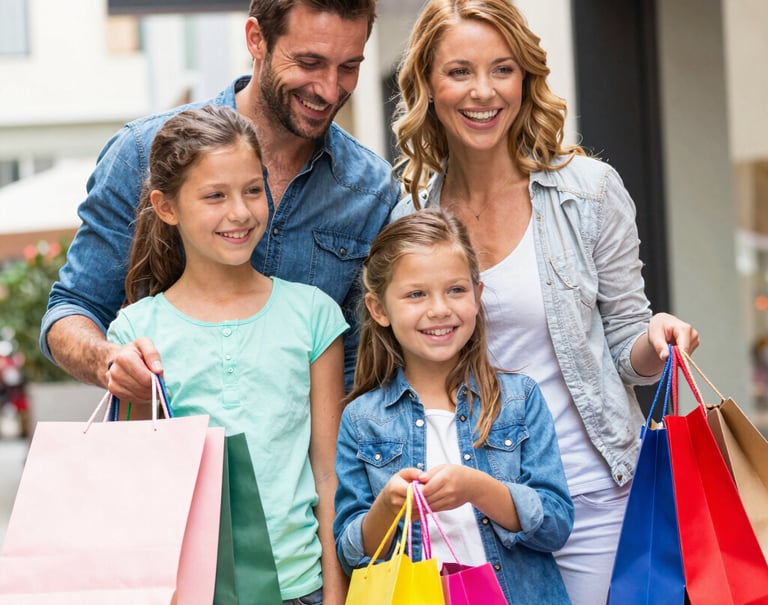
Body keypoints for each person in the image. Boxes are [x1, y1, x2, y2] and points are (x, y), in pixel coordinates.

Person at [388, 1, 700, 604]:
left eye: (502, 69)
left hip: (595, 498)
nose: (484, 91)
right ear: (428, 82)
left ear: (525, 77)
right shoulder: (410, 220)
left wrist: (657, 338)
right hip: (475, 508)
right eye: (460, 72)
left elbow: (625, 350)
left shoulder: (589, 192)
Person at [41, 0, 399, 401]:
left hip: (297, 461)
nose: (330, 89)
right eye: (309, 62)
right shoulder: (143, 153)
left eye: (349, 67)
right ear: (256, 39)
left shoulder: (372, 191)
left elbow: (358, 366)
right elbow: (71, 311)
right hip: (173, 451)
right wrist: (111, 361)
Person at [106, 105, 348, 605]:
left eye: (253, 190)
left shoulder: (313, 316)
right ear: (167, 206)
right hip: (187, 591)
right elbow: (135, 482)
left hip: (299, 587)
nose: (239, 212)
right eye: (215, 195)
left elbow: (328, 473)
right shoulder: (136, 330)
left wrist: (336, 593)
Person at [333, 209, 575, 605]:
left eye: (456, 290)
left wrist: (478, 489)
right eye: (416, 294)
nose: (440, 309)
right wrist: (388, 510)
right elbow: (350, 553)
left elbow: (556, 523)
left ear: (478, 297)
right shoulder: (362, 420)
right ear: (379, 310)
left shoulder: (519, 400)